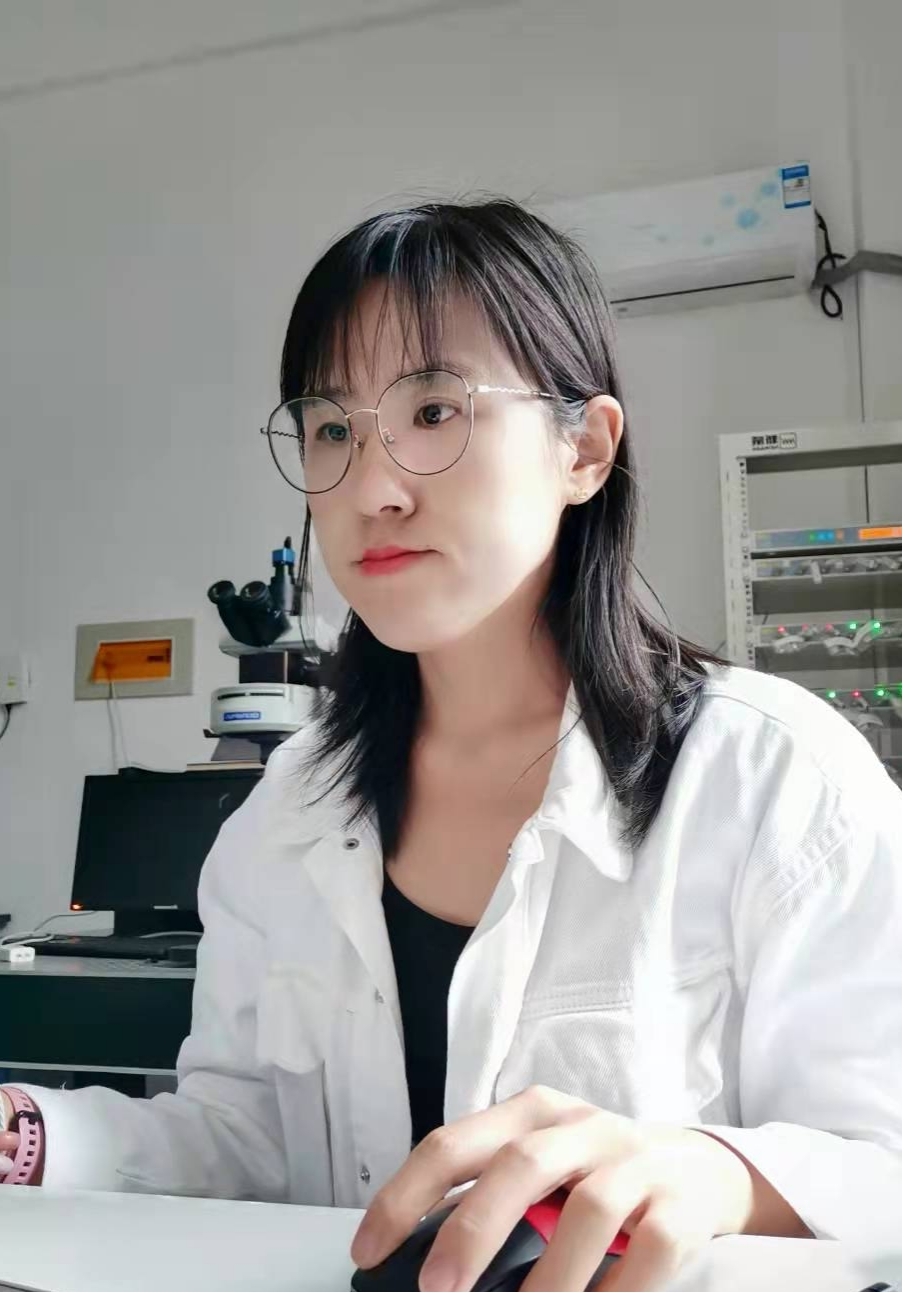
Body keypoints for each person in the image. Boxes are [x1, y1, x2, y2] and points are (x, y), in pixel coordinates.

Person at [1, 199, 900, 1292]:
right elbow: (244, 1140)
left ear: (583, 449)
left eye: (433, 411)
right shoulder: (287, 811)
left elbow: (882, 1160)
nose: (370, 489)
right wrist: (24, 1134)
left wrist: (716, 1173)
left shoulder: (775, 778)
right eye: (332, 429)